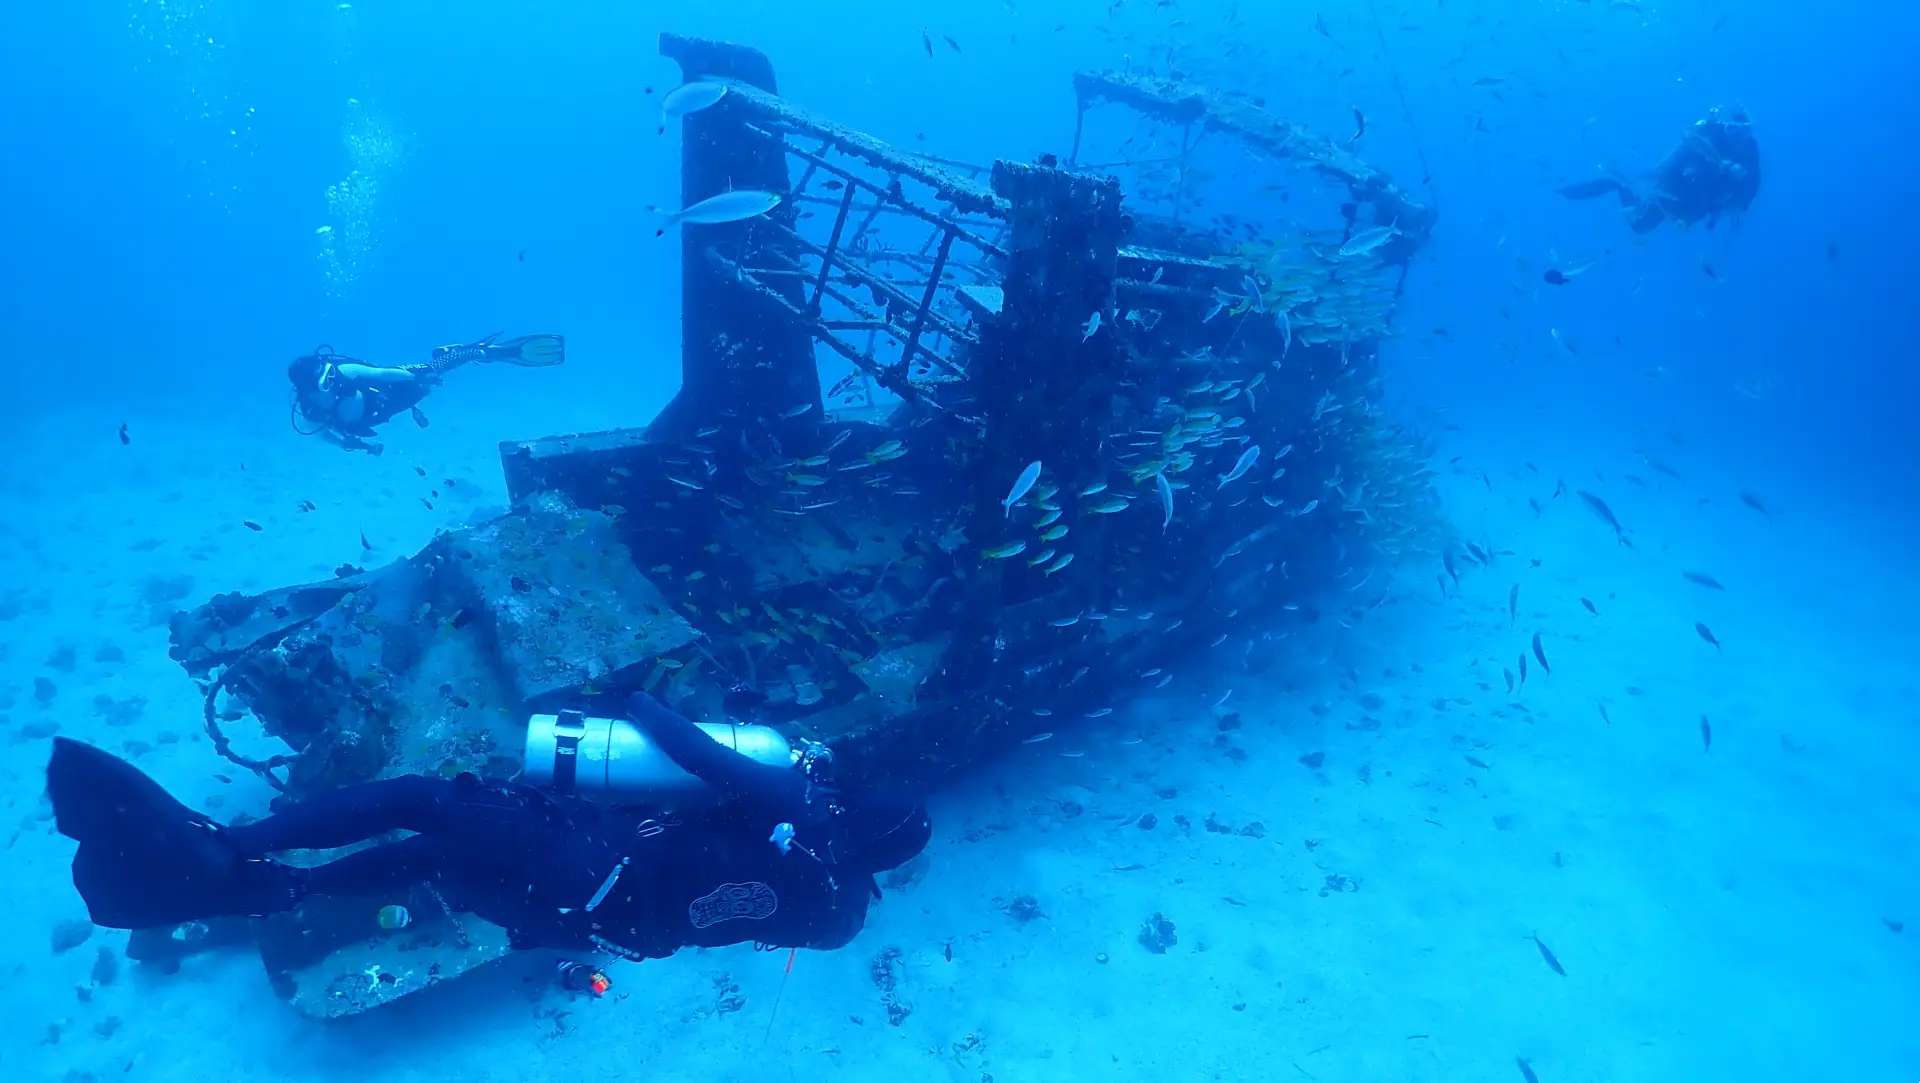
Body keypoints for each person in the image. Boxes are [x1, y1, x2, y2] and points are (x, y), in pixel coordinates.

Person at [44, 693, 931, 967]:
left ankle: (231, 847)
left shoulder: (807, 808)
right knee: (431, 861)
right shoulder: (842, 914)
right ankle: (281, 890)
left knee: (424, 805)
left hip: (600, 860)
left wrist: (639, 704)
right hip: (605, 930)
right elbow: (785, 888)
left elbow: (699, 756)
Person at [288, 332, 566, 454]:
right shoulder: (308, 412)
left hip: (381, 392)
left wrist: (418, 375)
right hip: (376, 415)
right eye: (325, 384)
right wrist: (358, 446)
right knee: (421, 385)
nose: (332, 383)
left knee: (429, 376)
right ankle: (442, 361)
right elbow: (326, 435)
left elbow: (383, 373)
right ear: (308, 391)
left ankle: (470, 352)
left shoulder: (345, 371)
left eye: (330, 376)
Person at [1558, 105, 1760, 233]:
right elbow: (1688, 136)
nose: (1737, 136)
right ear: (1723, 124)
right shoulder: (1710, 129)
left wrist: (1721, 210)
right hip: (1674, 186)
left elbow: (1745, 199)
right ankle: (1616, 183)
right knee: (1640, 225)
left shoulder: (1750, 155)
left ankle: (1624, 180)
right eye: (1732, 129)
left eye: (1744, 131)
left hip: (1697, 206)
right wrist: (1718, 161)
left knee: (1643, 224)